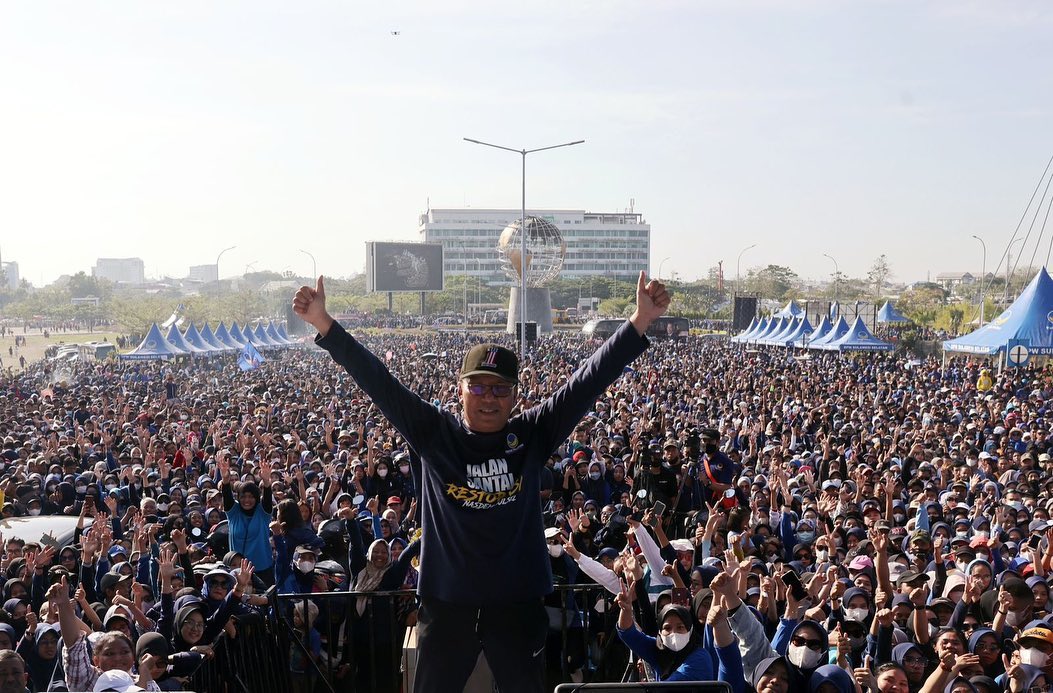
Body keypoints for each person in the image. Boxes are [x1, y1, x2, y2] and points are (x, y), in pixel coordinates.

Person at [293, 271, 670, 693]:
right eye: (478, 387)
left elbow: (586, 382)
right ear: (460, 391)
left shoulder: (532, 435)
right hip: (447, 603)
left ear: (514, 396)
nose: (489, 398)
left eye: (500, 389)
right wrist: (326, 326)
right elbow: (379, 381)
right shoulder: (435, 434)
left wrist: (638, 322)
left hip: (517, 604)